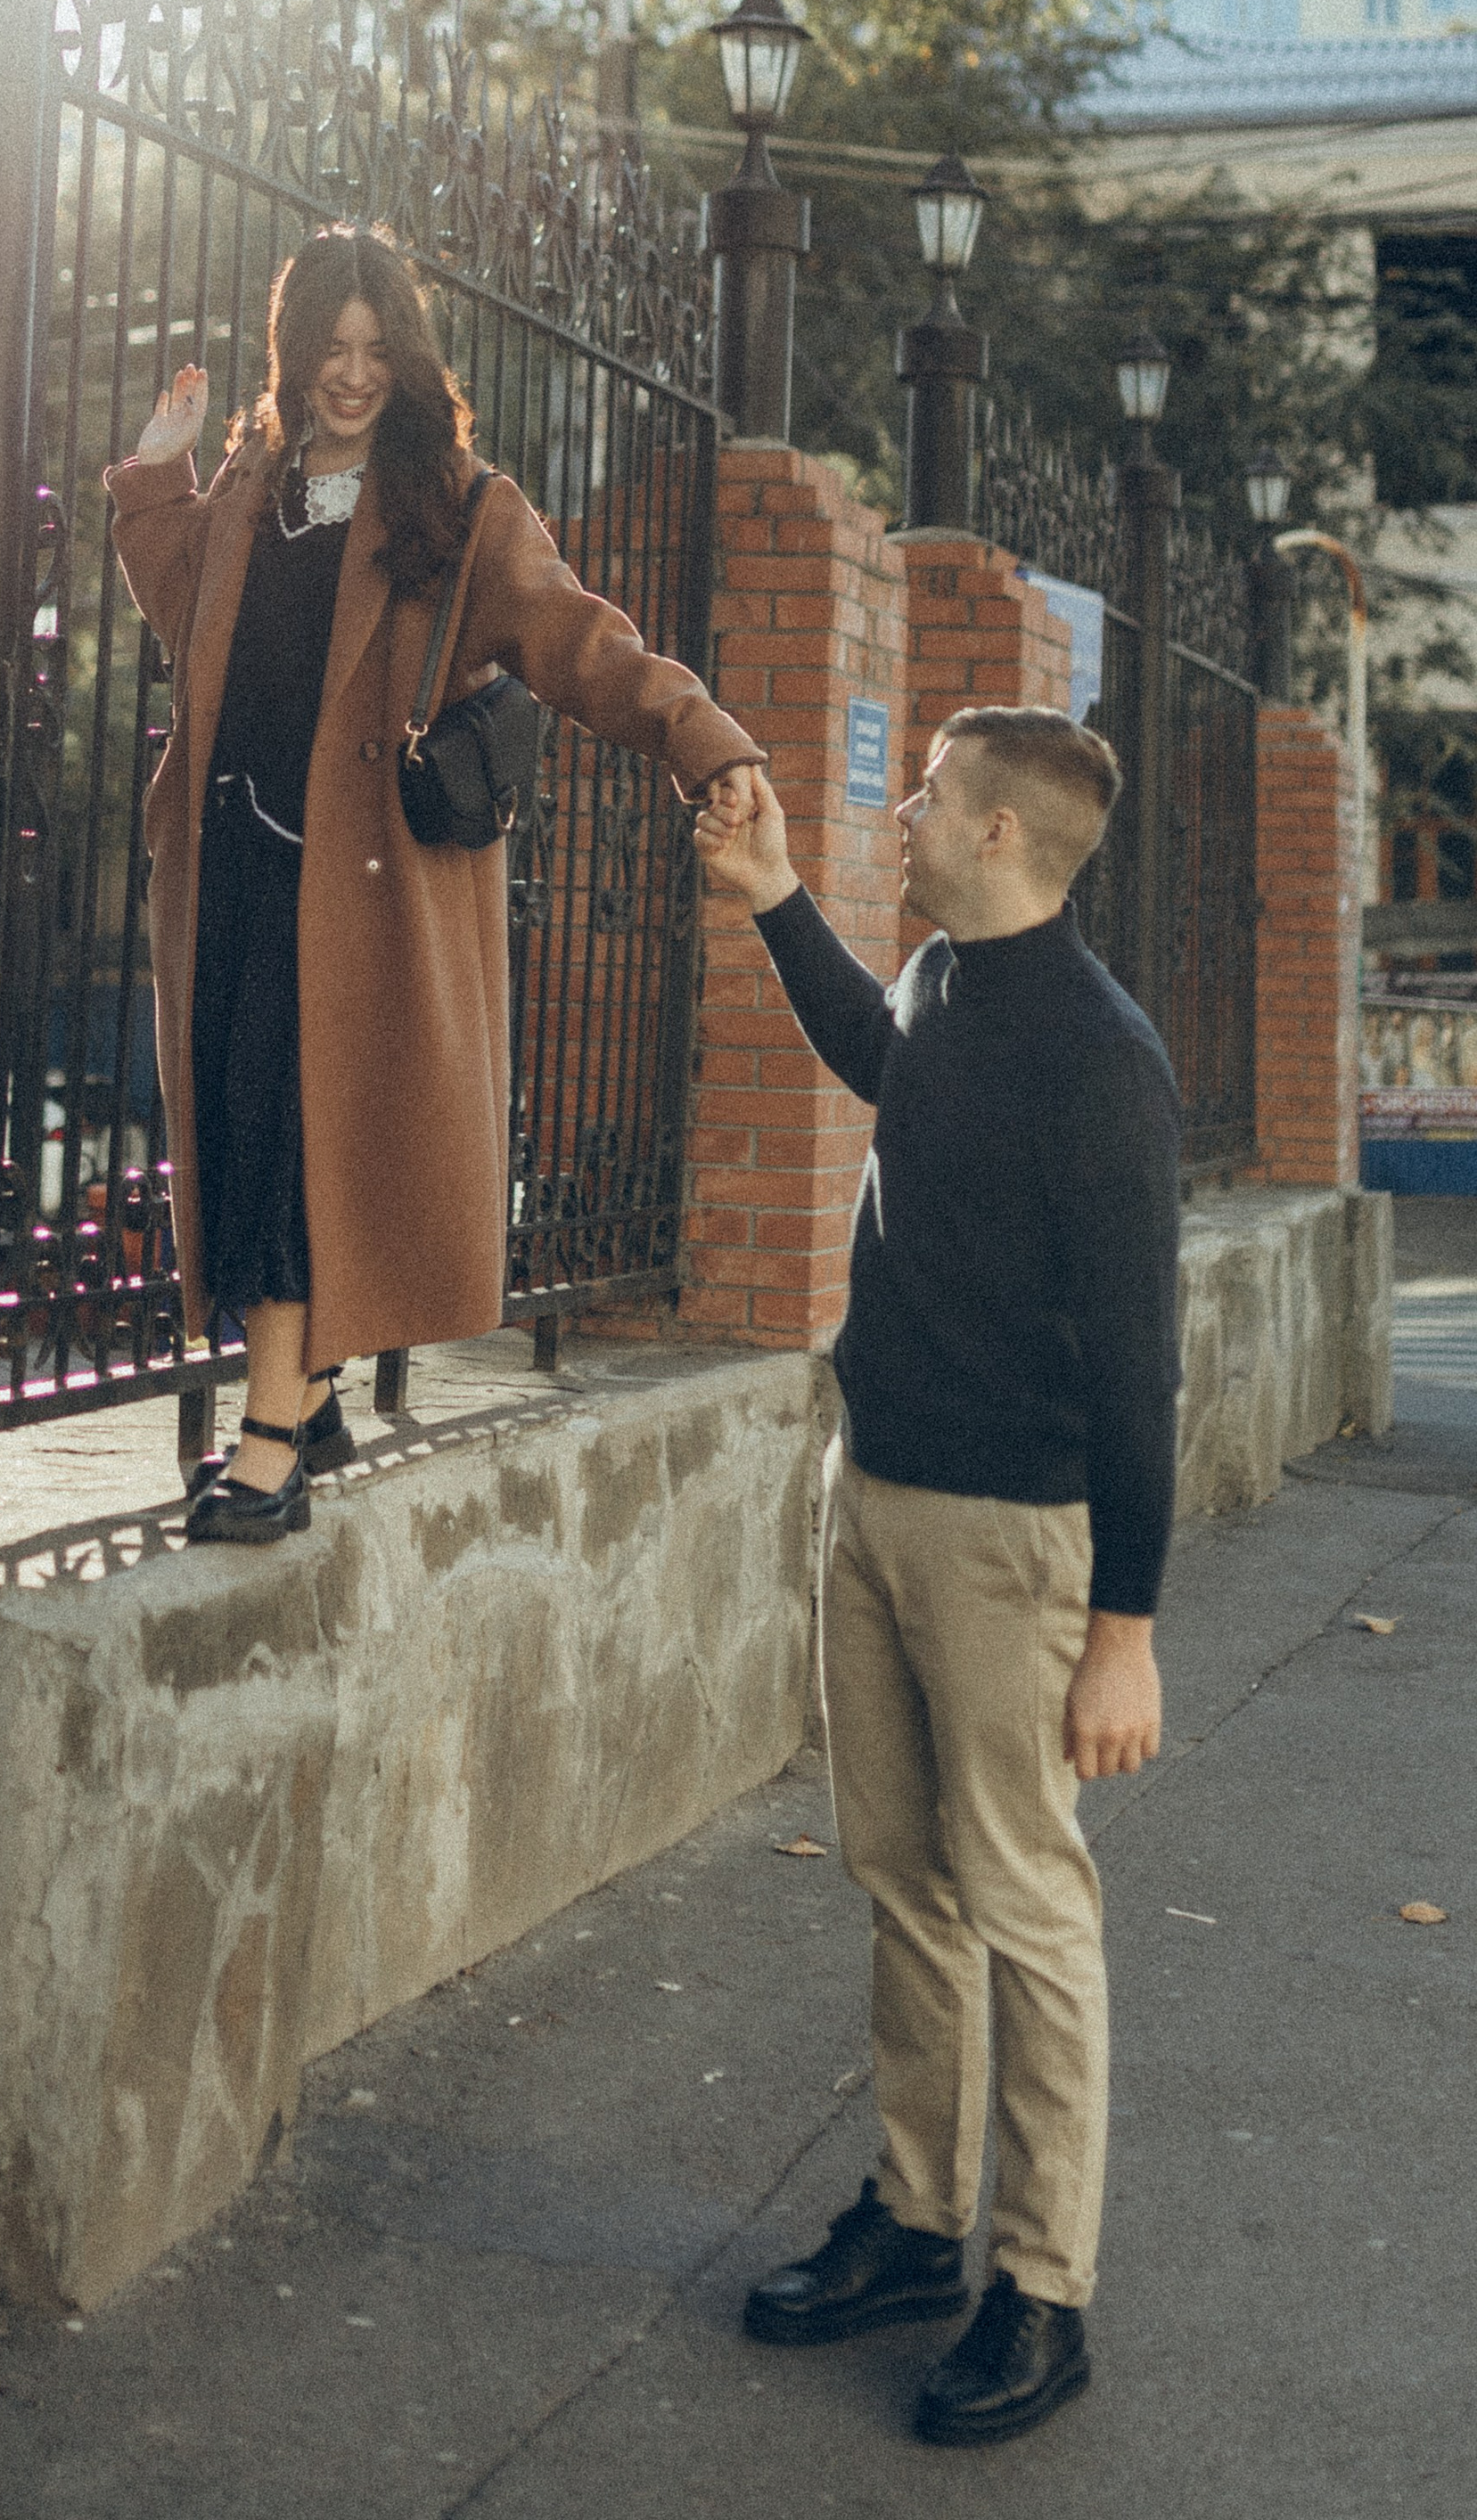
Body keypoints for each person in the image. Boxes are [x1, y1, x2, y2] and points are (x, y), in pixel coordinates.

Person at [107, 220, 760, 1544]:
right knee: (243, 1140)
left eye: (375, 351)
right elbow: (191, 620)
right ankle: (311, 1382)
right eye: (328, 351)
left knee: (301, 1146)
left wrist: (703, 741)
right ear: (293, 355)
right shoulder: (254, 477)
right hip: (233, 871)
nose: (352, 377)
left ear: (408, 359)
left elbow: (584, 644)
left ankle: (273, 1436)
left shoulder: (460, 509)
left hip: (354, 898)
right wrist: (156, 478)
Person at [698, 706, 1179, 2450]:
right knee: (901, 1871)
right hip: (872, 1499)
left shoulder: (1099, 1060)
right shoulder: (937, 985)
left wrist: (1118, 1634)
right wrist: (769, 900)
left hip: (1008, 1550)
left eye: (923, 792)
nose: (895, 810)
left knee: (1026, 1906)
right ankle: (914, 2221)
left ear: (994, 834)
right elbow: (877, 1060)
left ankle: (1039, 2289)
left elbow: (1140, 1376)